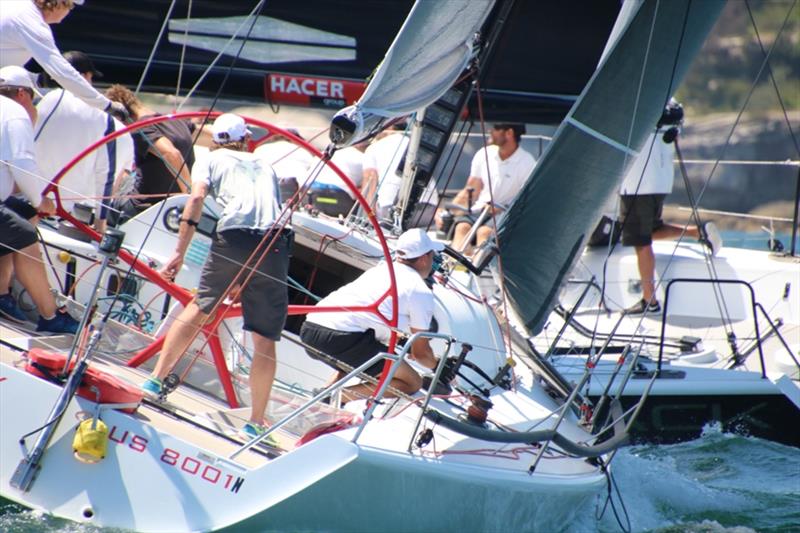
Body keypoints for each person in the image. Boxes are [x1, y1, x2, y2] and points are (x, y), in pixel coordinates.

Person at [141, 114, 291, 441]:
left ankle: (155, 378)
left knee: (201, 305)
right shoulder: (265, 164)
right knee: (265, 337)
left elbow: (195, 199)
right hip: (276, 241)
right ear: (245, 139)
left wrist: (179, 253)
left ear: (216, 140)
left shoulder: (209, 160)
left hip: (235, 235)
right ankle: (256, 421)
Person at [299, 228, 442, 402]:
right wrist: (440, 368)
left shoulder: (380, 270)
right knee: (412, 382)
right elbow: (421, 354)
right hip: (341, 338)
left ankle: (324, 395)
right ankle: (330, 398)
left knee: (359, 359)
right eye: (432, 255)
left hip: (310, 329)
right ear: (424, 258)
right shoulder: (420, 290)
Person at [619, 99, 722, 315]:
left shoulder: (636, 98)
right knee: (651, 231)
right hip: (660, 179)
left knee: (641, 241)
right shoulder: (669, 102)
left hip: (638, 182)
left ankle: (650, 301)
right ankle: (698, 232)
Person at [0, 75, 79, 333]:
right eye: (34, 101)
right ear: (22, 94)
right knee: (23, 233)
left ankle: (2, 294)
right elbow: (22, 164)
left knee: (14, 219)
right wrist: (40, 200)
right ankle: (50, 316)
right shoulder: (14, 113)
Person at [35, 51, 134, 232]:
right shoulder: (105, 119)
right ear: (84, 76)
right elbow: (105, 174)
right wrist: (100, 223)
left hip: (32, 202)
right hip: (68, 217)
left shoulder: (48, 100)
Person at [0, 0, 127, 120]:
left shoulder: (16, 6)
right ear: (59, 3)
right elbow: (63, 73)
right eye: (70, 6)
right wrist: (107, 105)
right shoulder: (33, 24)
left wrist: (36, 80)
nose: (69, 12)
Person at [104, 84, 195, 224]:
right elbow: (206, 133)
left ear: (119, 114)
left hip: (142, 209)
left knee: (120, 177)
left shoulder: (140, 128)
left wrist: (189, 197)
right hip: (169, 208)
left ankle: (99, 223)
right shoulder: (176, 120)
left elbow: (171, 154)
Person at [445, 123, 536, 252]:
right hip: (480, 209)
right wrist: (447, 213)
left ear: (509, 133)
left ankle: (477, 268)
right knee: (462, 227)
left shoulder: (527, 162)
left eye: (496, 128)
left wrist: (498, 210)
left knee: (484, 232)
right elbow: (471, 188)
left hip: (505, 213)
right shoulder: (483, 153)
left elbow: (525, 200)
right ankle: (454, 265)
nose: (490, 131)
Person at [361, 124, 439, 227]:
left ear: (390, 127)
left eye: (380, 126)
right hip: (429, 209)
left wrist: (369, 219)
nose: (375, 131)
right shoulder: (416, 145)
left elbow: (370, 180)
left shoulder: (373, 147)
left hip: (391, 206)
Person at [307, 142, 366, 217]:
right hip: (340, 198)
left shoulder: (325, 153)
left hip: (314, 193)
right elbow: (365, 187)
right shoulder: (362, 157)